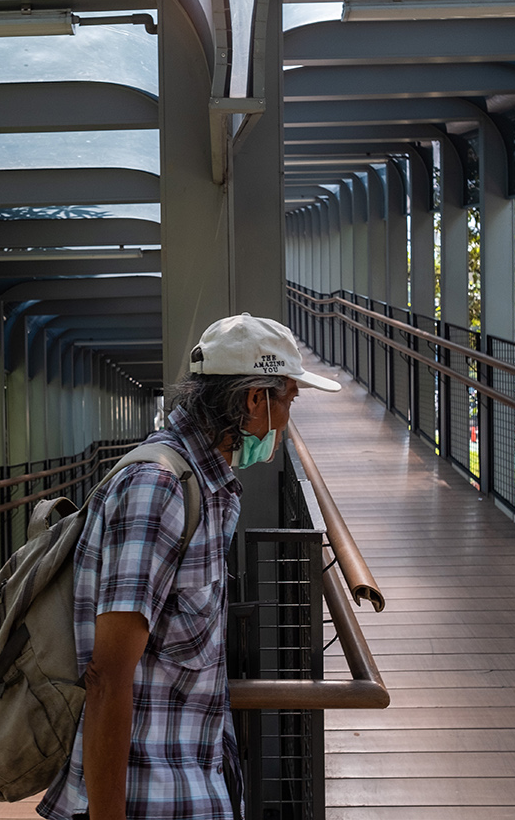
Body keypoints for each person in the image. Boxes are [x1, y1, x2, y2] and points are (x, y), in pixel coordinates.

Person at [38, 313, 340, 820]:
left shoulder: (204, 485)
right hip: (148, 797)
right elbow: (107, 677)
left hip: (190, 780)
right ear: (254, 399)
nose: (287, 420)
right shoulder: (159, 489)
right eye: (288, 399)